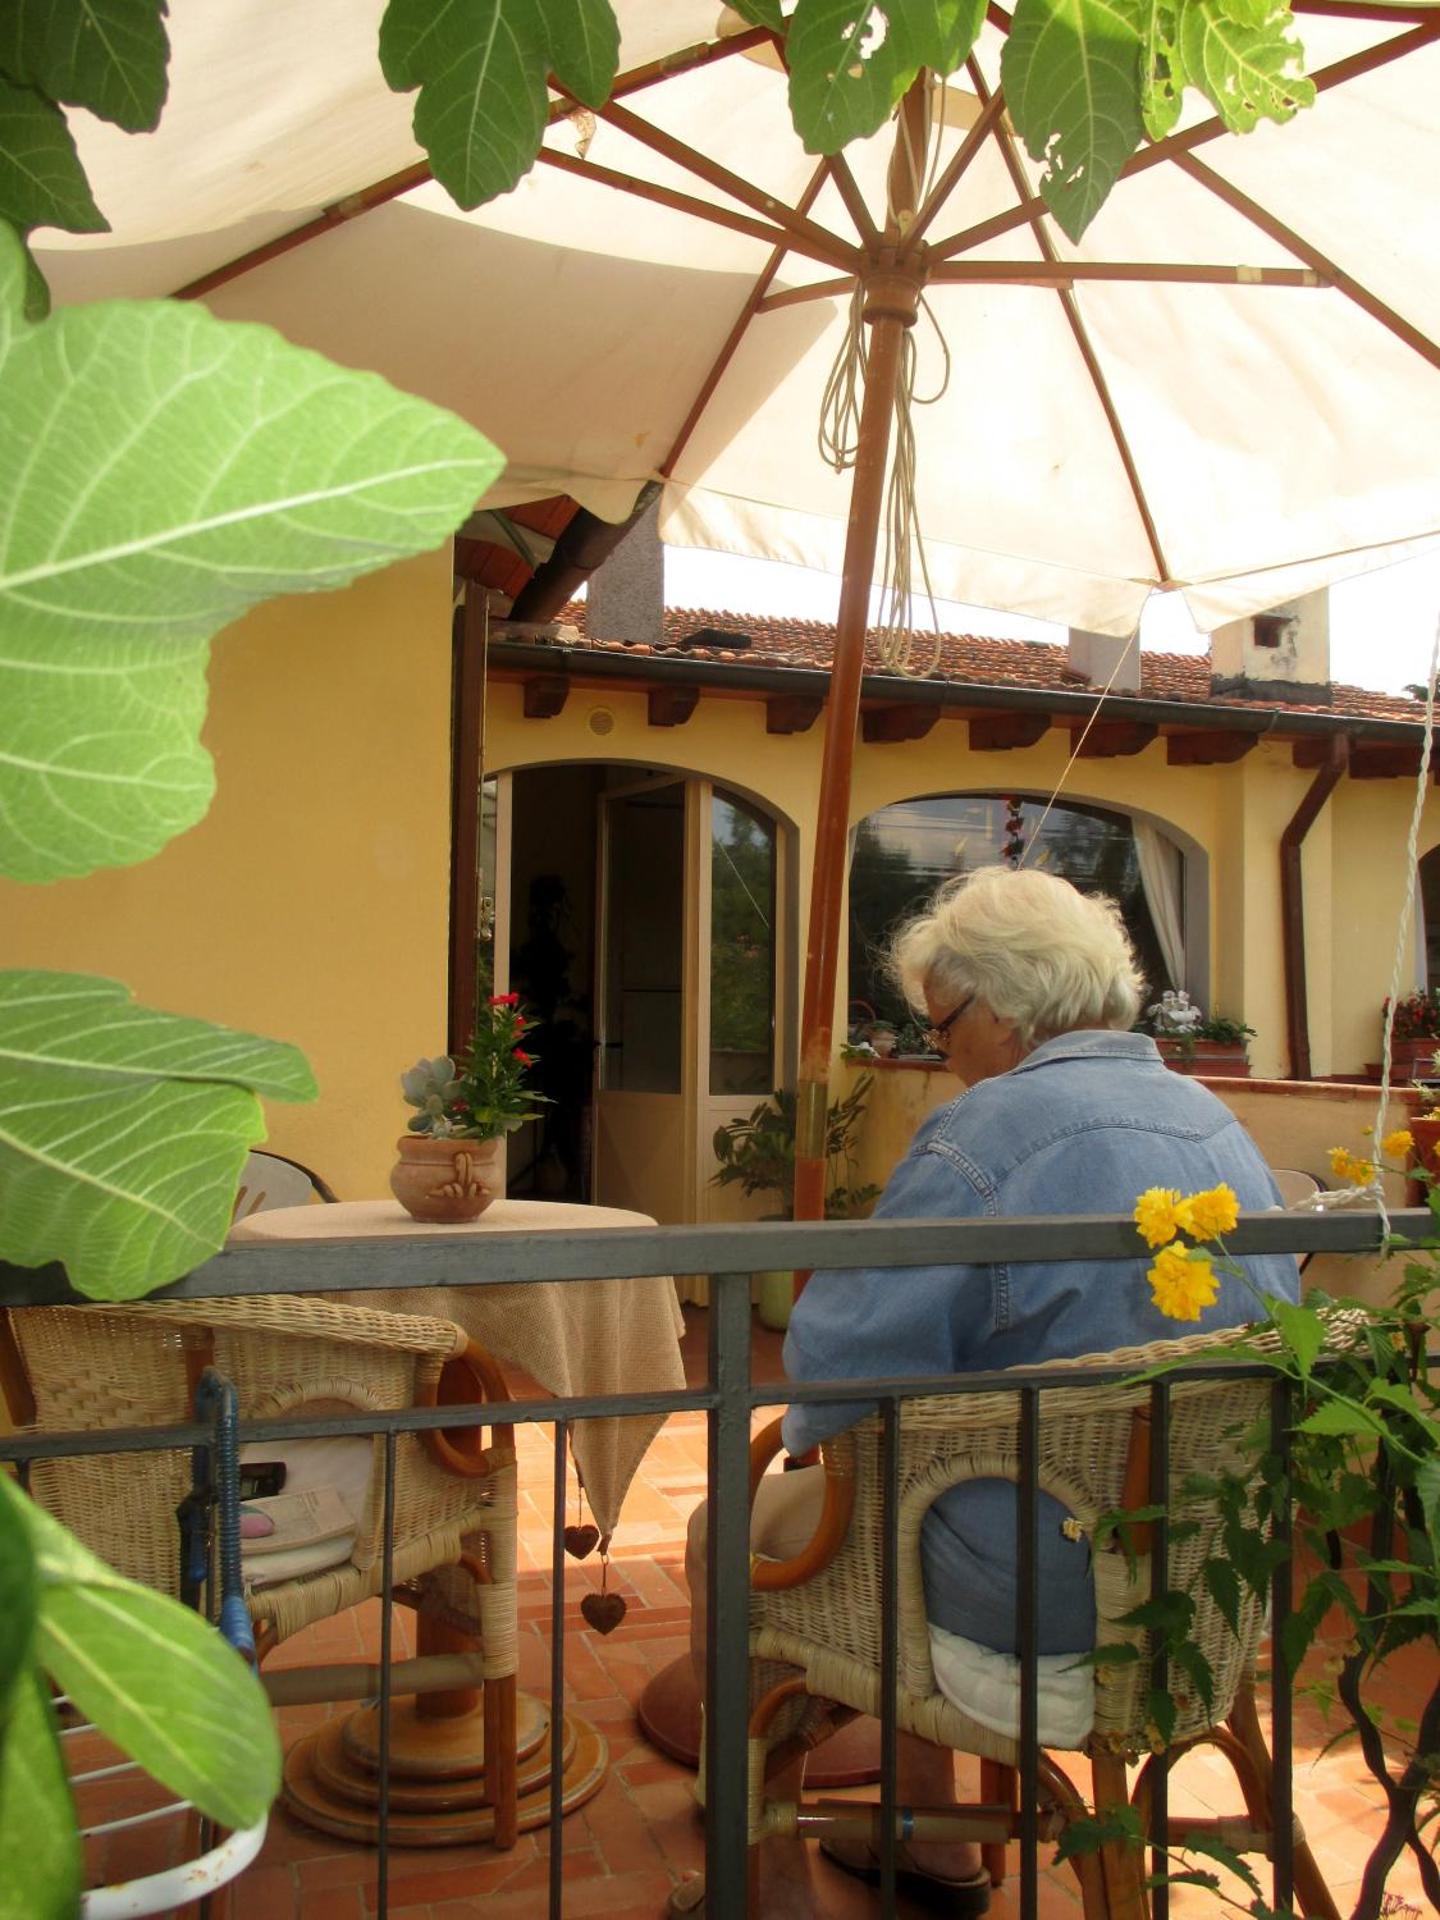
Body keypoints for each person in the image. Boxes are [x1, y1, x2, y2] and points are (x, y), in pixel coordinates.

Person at [682, 866, 1300, 1916]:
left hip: (1039, 1592)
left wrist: (815, 1427)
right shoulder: (1213, 1121)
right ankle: (929, 1843)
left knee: (730, 1530)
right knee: (923, 1481)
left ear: (1004, 1008)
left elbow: (836, 1360)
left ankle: (765, 1882)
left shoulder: (988, 1135)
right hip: (1203, 1578)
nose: (941, 1052)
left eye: (942, 1024)